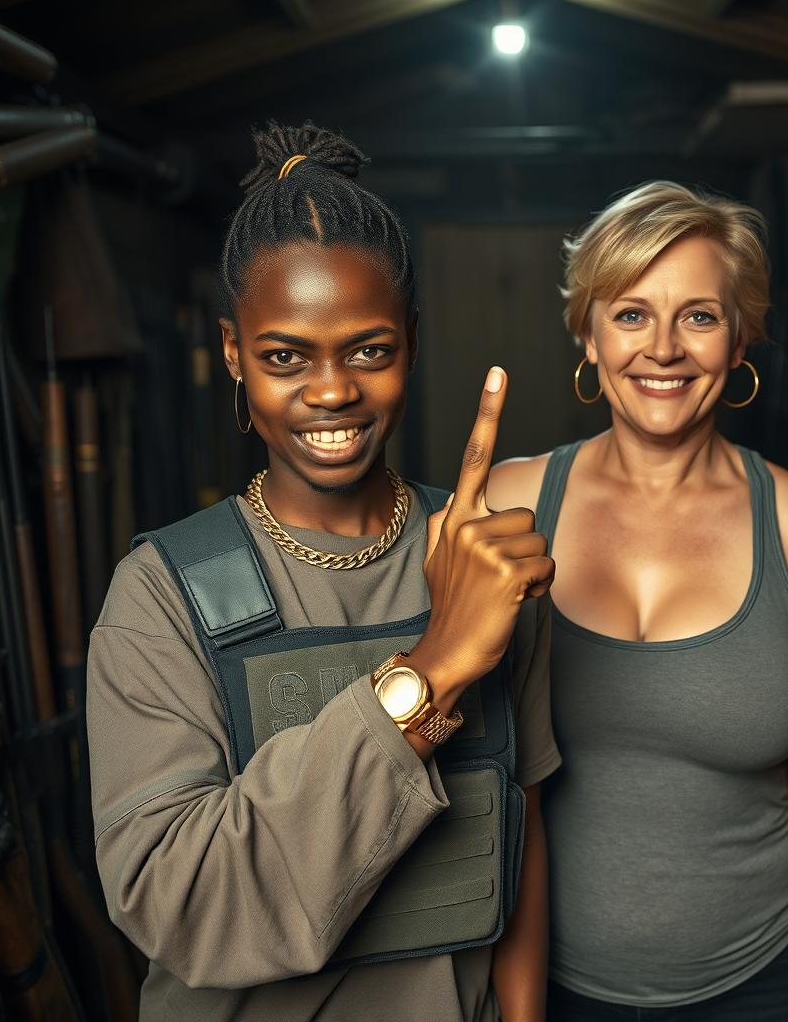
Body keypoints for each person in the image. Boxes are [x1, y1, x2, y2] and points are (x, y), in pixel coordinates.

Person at [87, 121, 559, 1022]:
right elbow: (184, 906)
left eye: (369, 350)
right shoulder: (160, 598)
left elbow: (527, 836)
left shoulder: (482, 558)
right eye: (284, 357)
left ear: (411, 342)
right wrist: (433, 669)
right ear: (234, 354)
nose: (334, 389)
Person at [488, 181, 788, 1022]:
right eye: (631, 314)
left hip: (765, 983)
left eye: (700, 317)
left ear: (741, 338)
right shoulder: (508, 507)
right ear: (589, 334)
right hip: (551, 990)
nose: (664, 349)